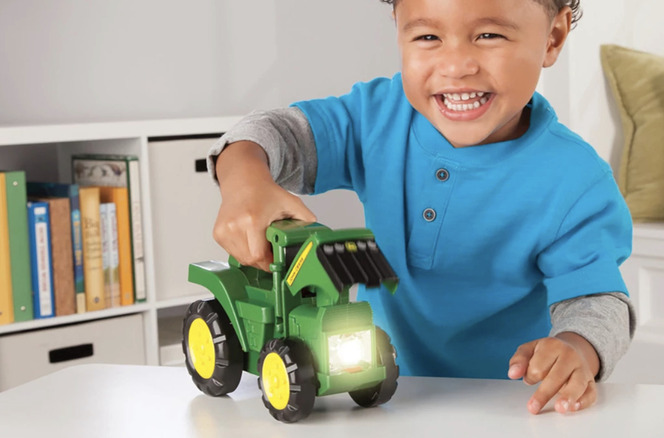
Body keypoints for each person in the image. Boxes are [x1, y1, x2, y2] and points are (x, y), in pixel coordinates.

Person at [207, 0, 635, 416]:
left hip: (508, 409)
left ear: (553, 37)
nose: (456, 65)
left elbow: (597, 300)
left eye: (489, 35)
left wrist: (579, 347)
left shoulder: (576, 178)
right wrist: (244, 180)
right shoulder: (375, 118)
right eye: (429, 36)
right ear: (398, 27)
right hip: (376, 398)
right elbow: (275, 131)